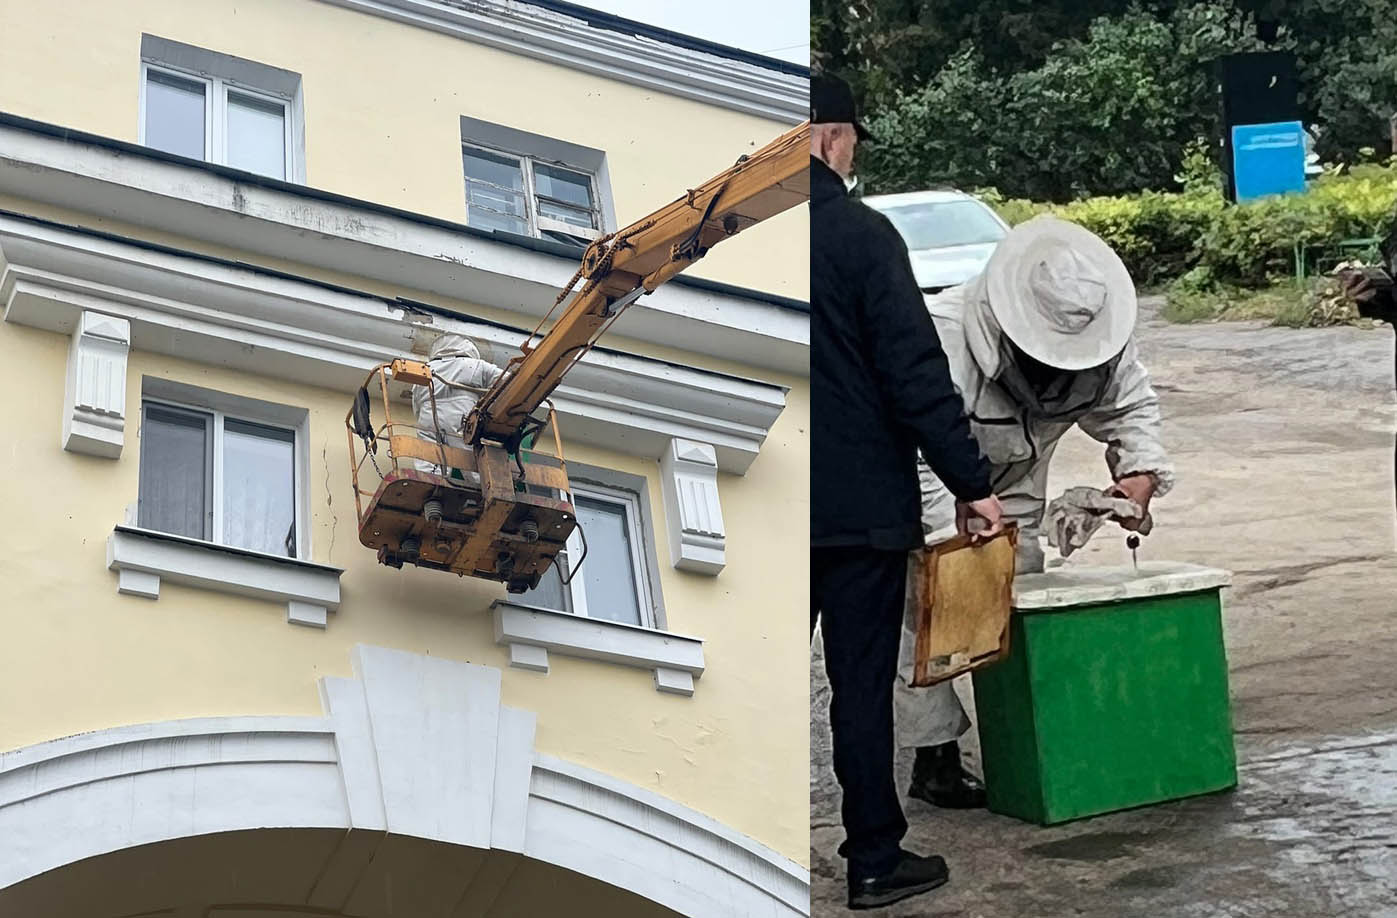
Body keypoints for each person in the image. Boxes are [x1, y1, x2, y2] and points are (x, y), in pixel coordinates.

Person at [809, 70, 1005, 912]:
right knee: (857, 688)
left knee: (747, 678)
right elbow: (913, 373)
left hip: (756, 503)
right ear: (829, 137)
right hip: (857, 512)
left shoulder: (729, 236)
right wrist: (971, 484)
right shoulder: (858, 234)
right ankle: (873, 862)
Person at [895, 215, 1175, 796]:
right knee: (927, 610)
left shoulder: (1105, 338)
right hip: (930, 478)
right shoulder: (942, 337)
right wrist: (953, 538)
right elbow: (917, 449)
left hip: (1017, 481)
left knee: (1015, 603)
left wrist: (1136, 480)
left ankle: (1029, 738)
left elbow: (1132, 408)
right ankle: (934, 756)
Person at [411, 333, 503, 478]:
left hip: (428, 418)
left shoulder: (424, 370)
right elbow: (506, 381)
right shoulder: (474, 365)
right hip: (461, 415)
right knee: (470, 461)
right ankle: (480, 490)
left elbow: (416, 407)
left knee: (429, 461)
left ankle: (430, 487)